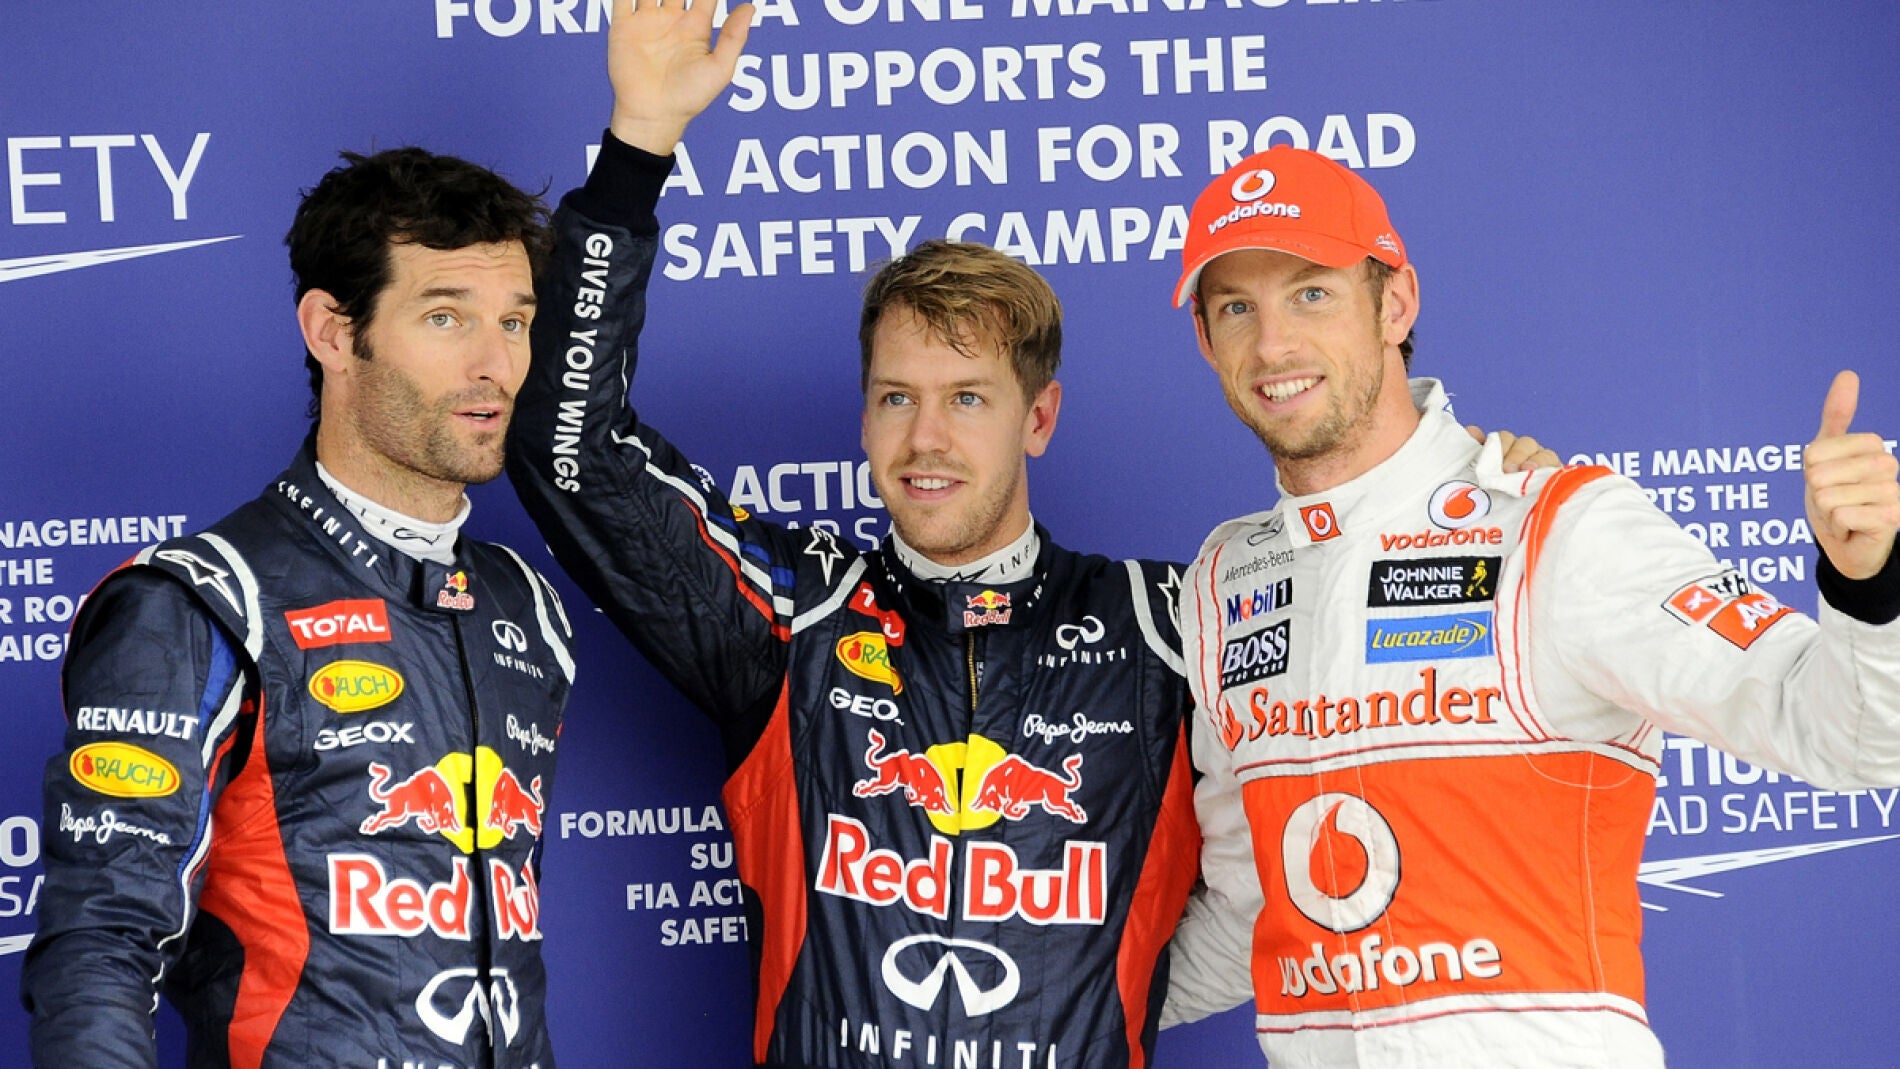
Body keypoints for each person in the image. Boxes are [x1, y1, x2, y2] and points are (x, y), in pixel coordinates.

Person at [1159, 144, 1900, 1066]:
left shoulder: (1558, 525)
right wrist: (1033, 1011)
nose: (1273, 345)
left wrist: (1869, 580)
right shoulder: (1226, 579)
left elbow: (1851, 736)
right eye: (1237, 307)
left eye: (1312, 293)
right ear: (1207, 340)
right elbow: (1252, 903)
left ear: (1395, 304)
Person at [21, 148, 576, 1068]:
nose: (496, 365)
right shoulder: (202, 599)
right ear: (332, 331)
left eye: (514, 321)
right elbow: (101, 946)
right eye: (445, 316)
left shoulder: (525, 606)